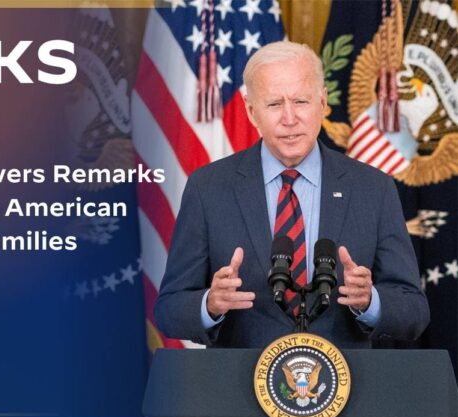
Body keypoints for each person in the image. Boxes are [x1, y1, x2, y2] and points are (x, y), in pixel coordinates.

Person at [154, 41, 429, 349]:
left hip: (347, 388)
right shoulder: (208, 188)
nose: (289, 118)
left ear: (323, 102)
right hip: (238, 389)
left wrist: (370, 301)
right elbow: (169, 310)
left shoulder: (373, 189)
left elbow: (414, 311)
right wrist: (210, 305)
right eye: (274, 104)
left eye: (301, 101)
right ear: (251, 110)